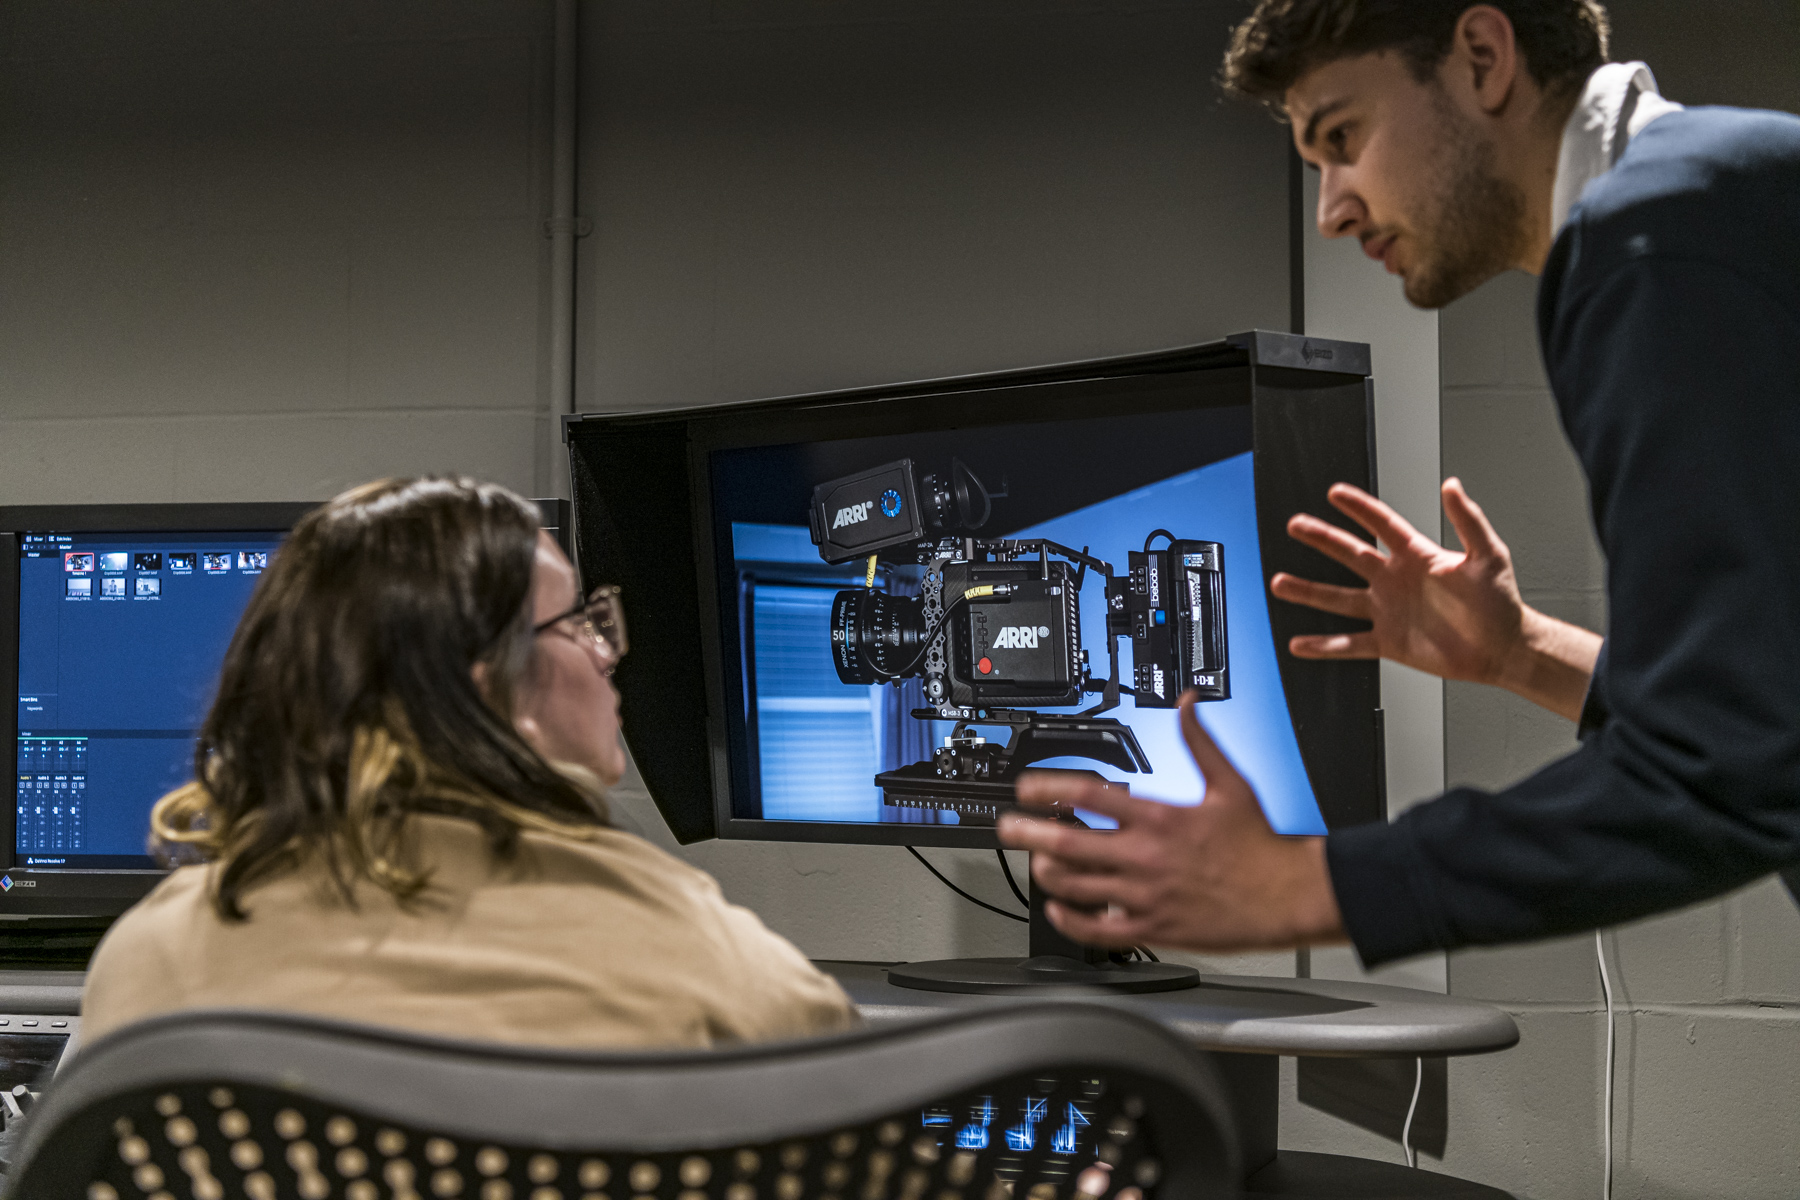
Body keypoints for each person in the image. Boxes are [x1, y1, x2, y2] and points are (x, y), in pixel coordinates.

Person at [1000, 0, 1800, 966]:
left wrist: (1303, 885)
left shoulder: (1652, 238)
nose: (1333, 208)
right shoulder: (1705, 203)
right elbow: (1767, 716)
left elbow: (1726, 764)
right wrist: (1522, 655)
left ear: (1481, 56)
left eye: (1344, 137)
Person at [83, 477, 857, 1047]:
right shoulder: (698, 954)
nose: (606, 653)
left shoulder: (152, 964)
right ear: (493, 686)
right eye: (581, 623)